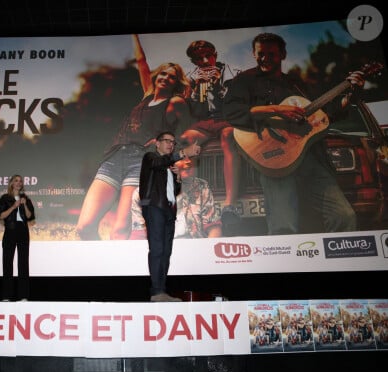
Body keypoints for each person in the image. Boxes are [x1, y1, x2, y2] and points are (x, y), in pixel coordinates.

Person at [223, 32, 364, 235]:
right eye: (260, 54)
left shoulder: (296, 84)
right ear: (254, 54)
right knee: (284, 227)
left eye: (271, 54)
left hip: (309, 158)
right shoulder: (244, 81)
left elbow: (330, 113)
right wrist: (276, 110)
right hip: (274, 157)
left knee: (344, 215)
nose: (265, 59)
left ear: (283, 55)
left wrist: (352, 92)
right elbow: (233, 113)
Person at [76, 34, 191, 240]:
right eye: (163, 73)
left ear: (176, 83)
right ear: (157, 76)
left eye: (172, 76)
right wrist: (133, 34)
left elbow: (186, 133)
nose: (165, 77)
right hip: (115, 157)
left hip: (141, 162)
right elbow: (141, 60)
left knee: (119, 231)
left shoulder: (175, 102)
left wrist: (162, 147)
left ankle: (118, 270)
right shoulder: (147, 93)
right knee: (84, 227)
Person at [182, 39, 242, 224]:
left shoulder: (233, 72)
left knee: (228, 136)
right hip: (205, 123)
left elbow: (236, 103)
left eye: (209, 55)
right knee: (186, 139)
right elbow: (193, 111)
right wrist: (193, 89)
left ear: (215, 54)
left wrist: (217, 85)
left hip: (227, 120)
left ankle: (230, 203)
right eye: (200, 59)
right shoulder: (190, 77)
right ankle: (191, 201)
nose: (206, 61)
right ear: (194, 62)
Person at [139, 131, 201, 302]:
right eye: (167, 141)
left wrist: (177, 179)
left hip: (168, 209)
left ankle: (162, 291)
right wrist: (183, 153)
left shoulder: (168, 167)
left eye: (173, 143)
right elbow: (159, 163)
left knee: (166, 251)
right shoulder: (150, 157)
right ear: (157, 143)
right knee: (158, 249)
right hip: (154, 207)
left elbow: (172, 193)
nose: (170, 144)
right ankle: (156, 292)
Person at [129, 157, 222, 239]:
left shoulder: (200, 186)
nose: (188, 161)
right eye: (181, 158)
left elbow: (213, 228)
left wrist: (207, 256)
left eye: (190, 157)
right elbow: (139, 236)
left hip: (194, 250)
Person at [0, 174, 35, 301]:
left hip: (23, 231)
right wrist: (13, 206)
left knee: (23, 263)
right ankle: (7, 296)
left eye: (20, 181)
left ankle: (23, 296)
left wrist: (25, 205)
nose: (19, 183)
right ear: (12, 183)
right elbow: (1, 215)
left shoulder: (25, 199)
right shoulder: (5, 198)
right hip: (10, 231)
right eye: (16, 181)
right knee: (7, 263)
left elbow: (29, 216)